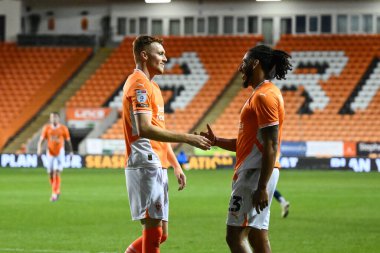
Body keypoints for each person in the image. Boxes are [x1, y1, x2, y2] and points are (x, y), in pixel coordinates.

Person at [122, 35, 211, 253]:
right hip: (145, 162)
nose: (165, 58)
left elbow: (158, 131)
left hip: (157, 163)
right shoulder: (139, 83)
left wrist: (176, 165)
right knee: (153, 232)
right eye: (160, 53)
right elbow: (144, 129)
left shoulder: (154, 88)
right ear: (144, 55)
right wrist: (187, 137)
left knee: (162, 234)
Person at [199, 45, 292, 253]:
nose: (241, 68)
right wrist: (216, 141)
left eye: (244, 62)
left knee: (235, 236)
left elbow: (270, 144)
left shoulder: (264, 97)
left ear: (255, 63)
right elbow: (246, 143)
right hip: (256, 171)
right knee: (258, 235)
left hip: (254, 173)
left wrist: (261, 187)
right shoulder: (262, 94)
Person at [37, 112, 73, 202]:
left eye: (55, 117)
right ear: (50, 119)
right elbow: (41, 140)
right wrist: (39, 149)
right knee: (50, 173)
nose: (54, 119)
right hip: (50, 152)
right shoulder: (47, 128)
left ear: (59, 119)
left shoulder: (63, 128)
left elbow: (68, 141)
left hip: (60, 152)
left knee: (56, 172)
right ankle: (56, 190)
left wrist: (71, 151)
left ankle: (54, 192)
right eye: (52, 117)